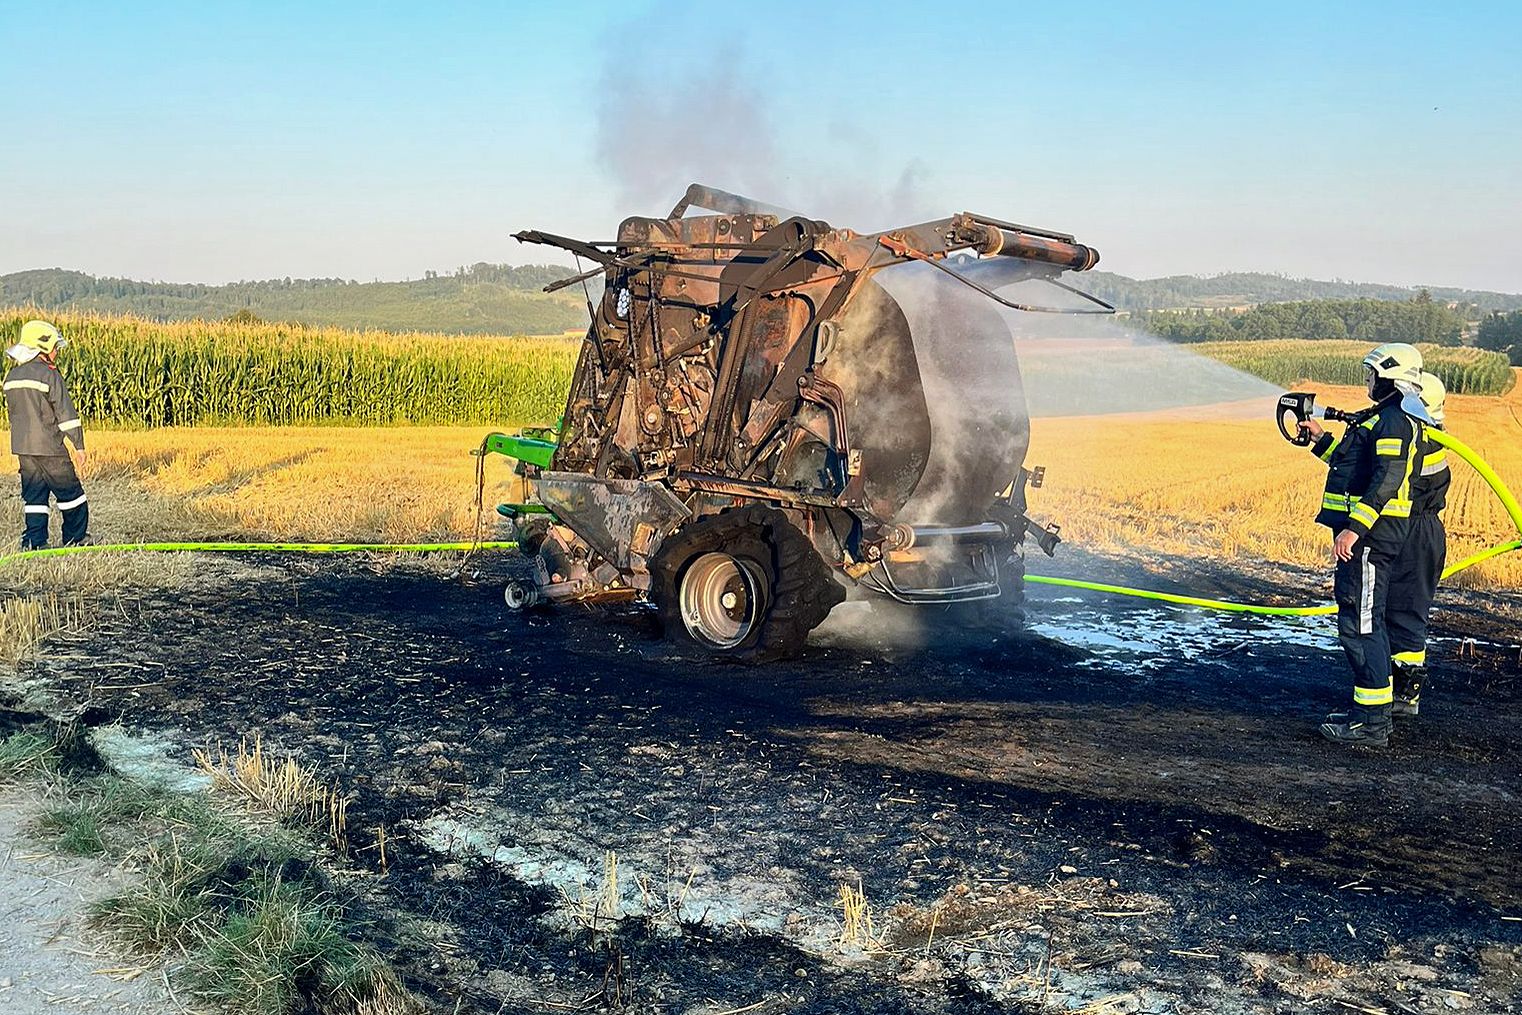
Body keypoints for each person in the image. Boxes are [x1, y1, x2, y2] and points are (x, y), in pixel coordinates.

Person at [1297, 342, 1424, 747]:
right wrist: (1319, 439)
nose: (1367, 381)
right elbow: (1353, 467)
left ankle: (1370, 724)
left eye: (1372, 374)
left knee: (1362, 623)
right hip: (1370, 536)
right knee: (1365, 620)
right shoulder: (1381, 419)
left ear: (1390, 377)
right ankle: (1370, 711)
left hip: (1370, 538)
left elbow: (1386, 479)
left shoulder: (1393, 422)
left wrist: (1355, 528)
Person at [1385, 371, 1449, 715]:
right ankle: (1394, 692)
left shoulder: (1421, 438)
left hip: (1414, 531)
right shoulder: (1428, 433)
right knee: (1393, 611)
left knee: (1406, 613)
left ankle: (1404, 697)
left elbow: (1380, 477)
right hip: (1419, 530)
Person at [4, 320, 90, 548]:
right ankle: (76, 538)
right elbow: (65, 413)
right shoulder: (49, 375)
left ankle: (34, 541)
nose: (57, 352)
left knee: (34, 498)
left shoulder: (12, 377)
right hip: (49, 447)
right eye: (55, 347)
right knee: (72, 494)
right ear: (43, 347)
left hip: (23, 448)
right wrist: (79, 445)